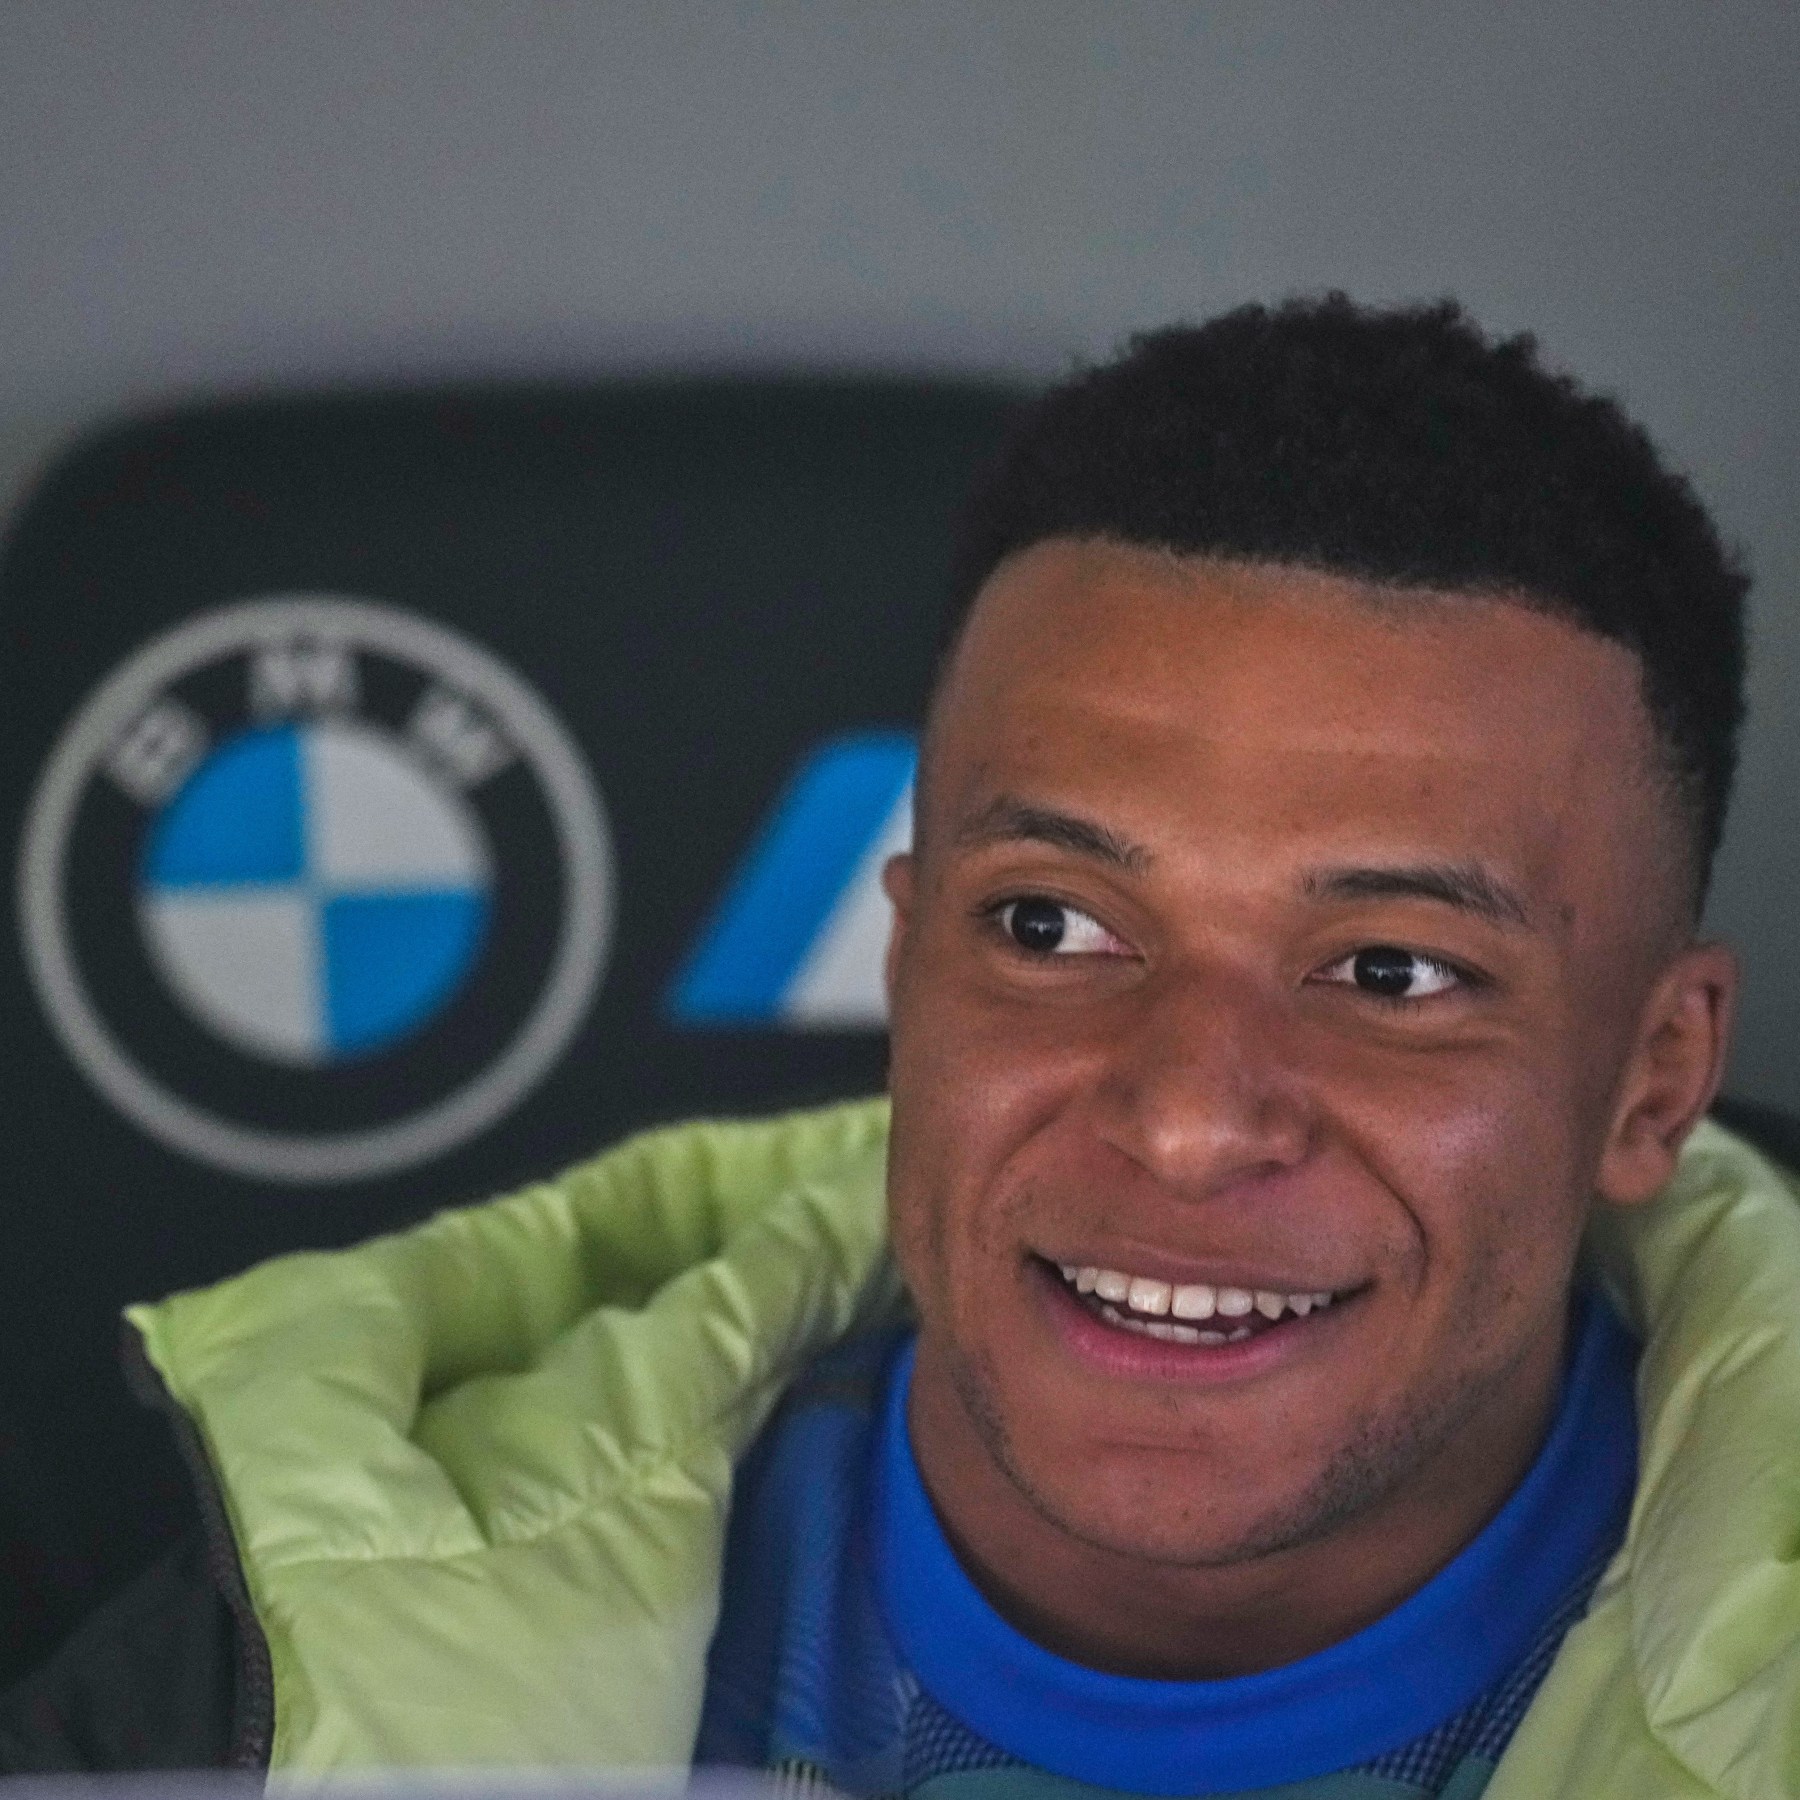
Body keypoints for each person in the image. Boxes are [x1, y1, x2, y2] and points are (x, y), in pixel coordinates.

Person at [4, 295, 1796, 1799]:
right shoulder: (265, 1682)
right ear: (910, 956)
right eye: (1052, 927)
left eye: (1391, 973)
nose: (1186, 1118)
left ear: (1655, 1076)